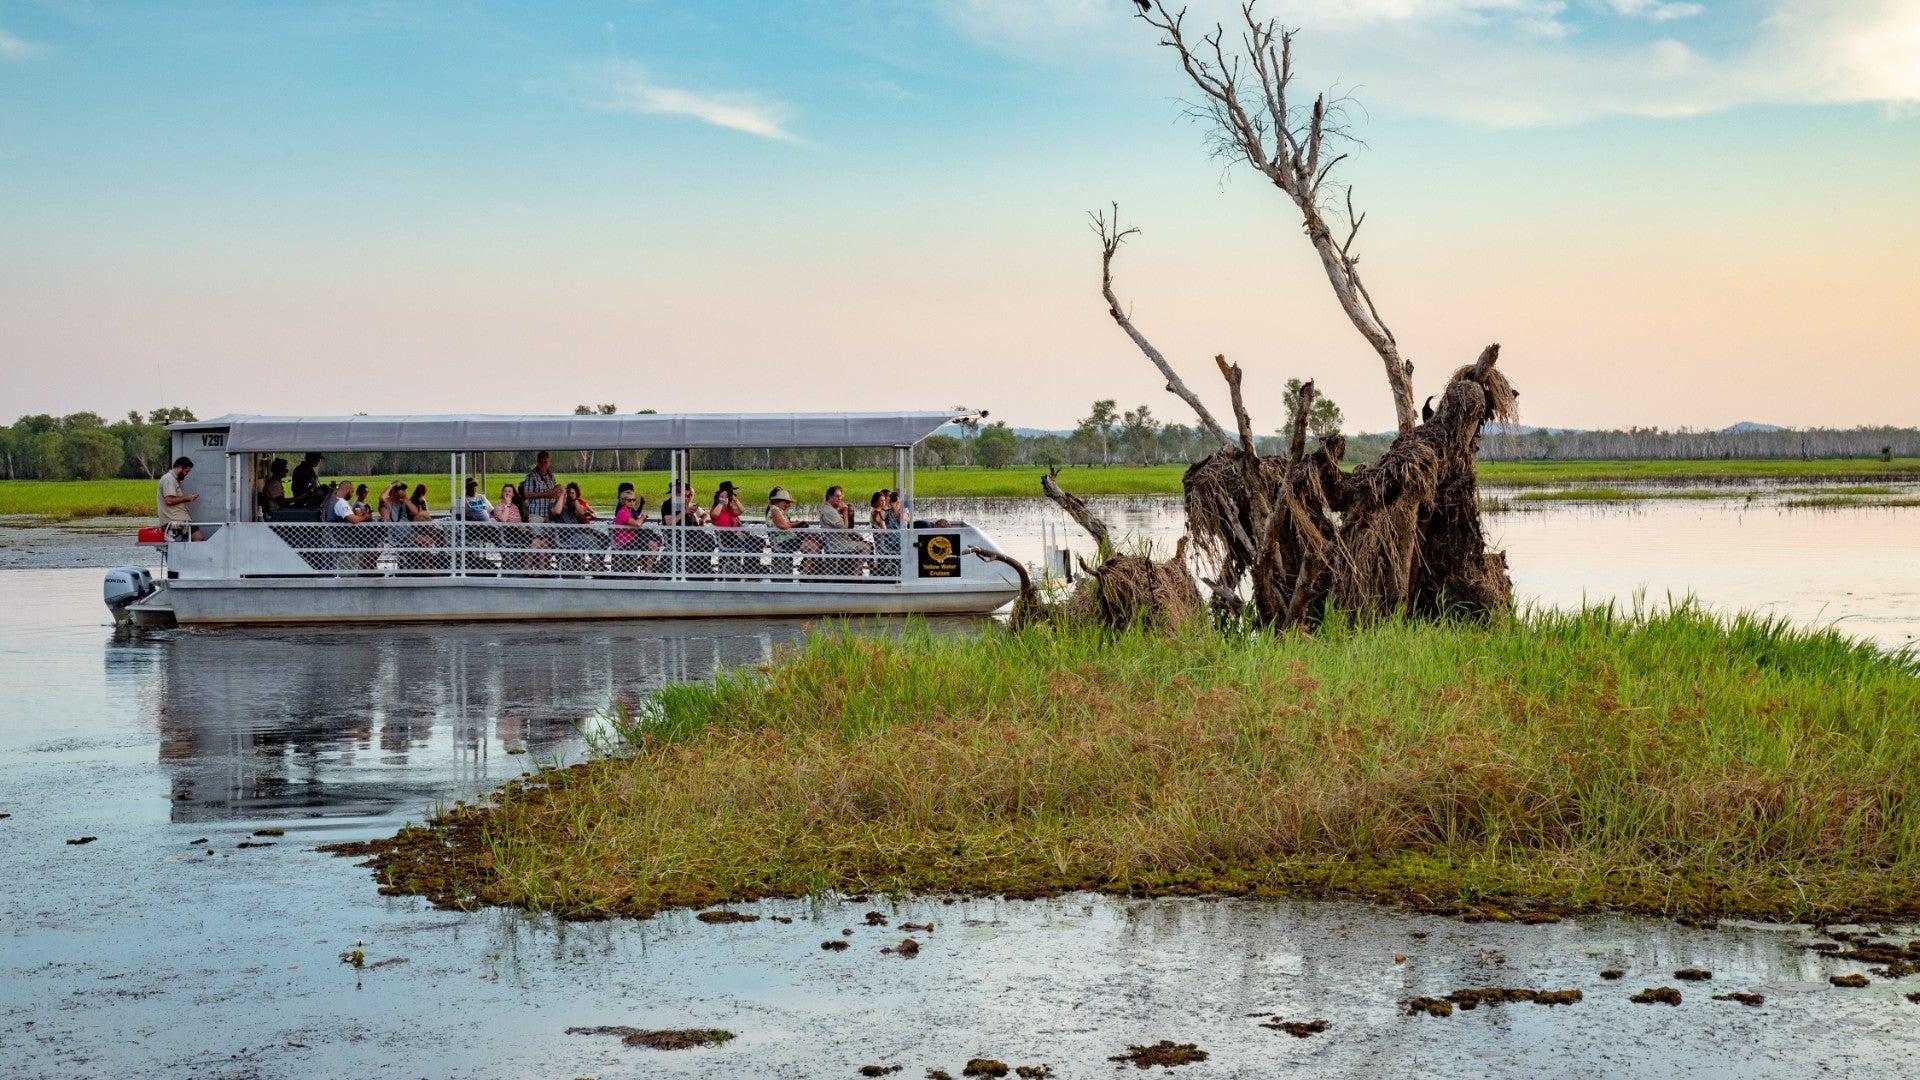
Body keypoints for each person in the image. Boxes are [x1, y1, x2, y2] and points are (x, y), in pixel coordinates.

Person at [818, 484, 871, 576]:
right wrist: (845, 512)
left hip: (838, 541)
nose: (840, 499)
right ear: (830, 497)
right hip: (837, 544)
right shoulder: (829, 511)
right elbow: (845, 530)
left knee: (862, 542)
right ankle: (855, 573)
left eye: (841, 496)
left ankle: (853, 571)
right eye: (837, 496)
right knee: (867, 547)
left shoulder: (831, 509)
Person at [766, 486, 810, 576]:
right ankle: (805, 573)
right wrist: (797, 524)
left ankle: (805, 569)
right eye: (786, 502)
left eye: (789, 503)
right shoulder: (774, 510)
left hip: (787, 540)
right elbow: (783, 525)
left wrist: (796, 524)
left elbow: (786, 524)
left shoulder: (779, 510)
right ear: (776, 501)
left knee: (814, 541)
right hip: (783, 542)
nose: (788, 505)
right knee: (812, 548)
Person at [156, 456, 203, 541]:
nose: (186, 474)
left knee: (198, 539)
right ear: (180, 467)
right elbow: (169, 501)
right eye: (186, 471)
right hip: (175, 520)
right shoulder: (169, 479)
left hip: (180, 520)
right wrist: (187, 498)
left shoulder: (173, 479)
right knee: (199, 538)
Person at [521, 452, 560, 522]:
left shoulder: (551, 475)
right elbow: (526, 494)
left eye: (545, 461)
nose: (543, 464)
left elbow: (553, 492)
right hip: (536, 514)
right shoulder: (531, 475)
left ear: (549, 462)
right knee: (536, 533)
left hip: (549, 514)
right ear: (537, 462)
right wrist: (547, 494)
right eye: (540, 461)